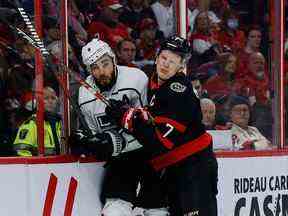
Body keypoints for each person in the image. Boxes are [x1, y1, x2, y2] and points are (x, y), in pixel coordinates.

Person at [106, 36, 218, 216]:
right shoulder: (151, 82)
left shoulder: (178, 90)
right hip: (171, 168)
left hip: (195, 168)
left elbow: (159, 142)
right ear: (157, 57)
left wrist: (126, 116)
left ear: (181, 66)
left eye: (172, 62)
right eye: (164, 58)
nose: (166, 65)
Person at [71, 38, 150, 215]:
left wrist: (118, 138)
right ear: (89, 70)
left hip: (149, 155)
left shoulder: (136, 79)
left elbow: (151, 126)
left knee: (155, 210)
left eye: (105, 63)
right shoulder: (85, 94)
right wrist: (89, 141)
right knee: (115, 210)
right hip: (121, 162)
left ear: (114, 59)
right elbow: (97, 135)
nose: (102, 72)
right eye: (95, 68)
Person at [13, 86, 62, 156]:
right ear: (39, 102)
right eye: (46, 98)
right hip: (41, 166)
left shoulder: (62, 123)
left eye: (53, 98)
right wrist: (37, 166)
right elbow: (22, 152)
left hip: (61, 165)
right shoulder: (32, 124)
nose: (50, 101)